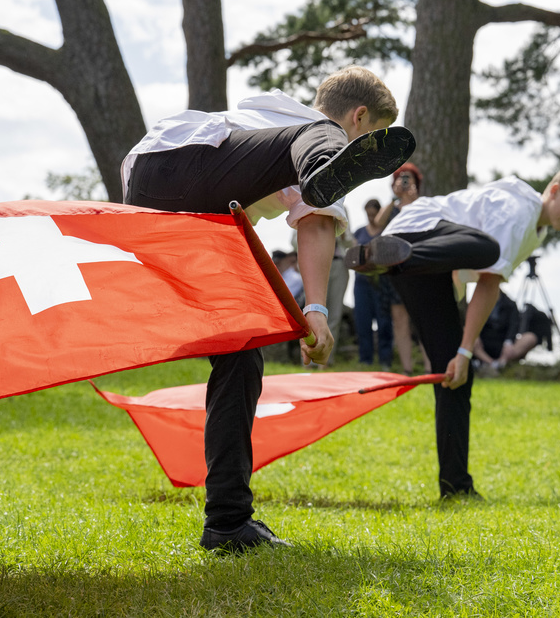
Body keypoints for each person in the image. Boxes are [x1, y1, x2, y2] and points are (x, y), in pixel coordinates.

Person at [121, 65, 413, 551]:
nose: (366, 157)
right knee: (320, 139)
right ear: (360, 116)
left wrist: (284, 313)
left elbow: (250, 225)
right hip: (177, 162)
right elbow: (317, 224)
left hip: (159, 198)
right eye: (372, 138)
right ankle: (330, 153)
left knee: (243, 351)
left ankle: (228, 524)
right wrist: (316, 309)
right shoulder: (304, 126)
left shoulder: (258, 126)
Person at [348, 164, 560, 498]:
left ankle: (456, 487)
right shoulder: (519, 209)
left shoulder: (534, 232)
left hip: (420, 263)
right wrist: (467, 350)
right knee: (490, 251)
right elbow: (488, 282)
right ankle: (390, 257)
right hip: (419, 231)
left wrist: (460, 353)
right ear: (554, 191)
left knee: (452, 375)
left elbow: (469, 279)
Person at [376, 163, 424, 373]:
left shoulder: (422, 206)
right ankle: (407, 369)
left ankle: (430, 367)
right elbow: (377, 224)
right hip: (395, 267)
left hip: (419, 266)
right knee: (400, 319)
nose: (404, 181)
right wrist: (394, 198)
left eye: (408, 178)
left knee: (423, 318)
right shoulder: (391, 207)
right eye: (400, 178)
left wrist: (412, 202)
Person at [351, 199, 395, 366]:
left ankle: (386, 359)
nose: (370, 217)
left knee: (384, 321)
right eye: (368, 214)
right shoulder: (359, 232)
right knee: (363, 321)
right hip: (361, 283)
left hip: (382, 282)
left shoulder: (386, 232)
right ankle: (365, 359)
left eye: (373, 214)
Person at [475, 288, 553, 371]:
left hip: (504, 344)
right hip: (483, 342)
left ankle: (501, 364)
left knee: (530, 338)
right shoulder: (477, 303)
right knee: (470, 338)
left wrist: (508, 342)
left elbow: (514, 326)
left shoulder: (510, 304)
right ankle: (491, 364)